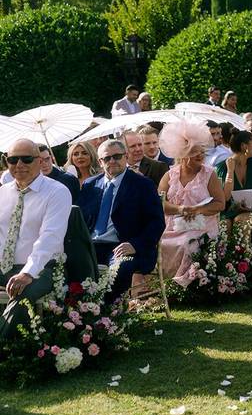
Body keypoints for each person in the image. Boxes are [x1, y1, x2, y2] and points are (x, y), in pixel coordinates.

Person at [78, 140, 165, 304]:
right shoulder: (90, 185)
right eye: (107, 158)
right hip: (92, 245)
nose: (112, 161)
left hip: (125, 246)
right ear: (100, 162)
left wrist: (135, 245)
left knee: (119, 268)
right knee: (66, 264)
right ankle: (77, 313)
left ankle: (108, 315)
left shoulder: (143, 185)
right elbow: (81, 219)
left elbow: (156, 223)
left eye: (117, 156)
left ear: (126, 157)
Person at [0, 139, 71, 340]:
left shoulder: (57, 192)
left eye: (26, 159)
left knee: (21, 294)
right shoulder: (2, 193)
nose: (19, 164)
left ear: (40, 161)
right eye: (13, 160)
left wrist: (27, 273)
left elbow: (50, 237)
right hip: (4, 266)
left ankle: (4, 348)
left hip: (43, 268)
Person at [156, 120, 225, 286]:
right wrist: (181, 208)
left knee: (188, 244)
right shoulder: (170, 175)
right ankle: (164, 284)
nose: (200, 156)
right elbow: (159, 203)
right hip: (173, 226)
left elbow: (220, 204)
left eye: (202, 152)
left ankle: (181, 285)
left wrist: (198, 210)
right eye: (195, 152)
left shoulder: (209, 174)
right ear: (183, 154)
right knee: (161, 244)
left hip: (202, 226)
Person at [217, 130, 252, 249]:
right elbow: (225, 198)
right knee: (224, 224)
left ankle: (244, 260)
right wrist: (230, 172)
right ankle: (227, 262)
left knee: (242, 221)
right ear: (244, 146)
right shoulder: (222, 167)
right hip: (229, 211)